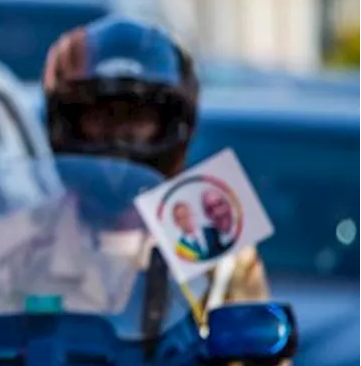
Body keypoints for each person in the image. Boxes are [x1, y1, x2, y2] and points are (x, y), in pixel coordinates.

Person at [41, 15, 271, 308]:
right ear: (68, 121)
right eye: (102, 116)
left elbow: (256, 344)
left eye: (136, 117)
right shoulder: (18, 240)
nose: (119, 133)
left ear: (172, 123)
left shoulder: (217, 244)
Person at [201, 188, 238, 257]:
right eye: (210, 209)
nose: (217, 212)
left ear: (228, 204)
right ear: (207, 215)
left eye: (219, 204)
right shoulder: (210, 248)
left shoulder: (247, 228)